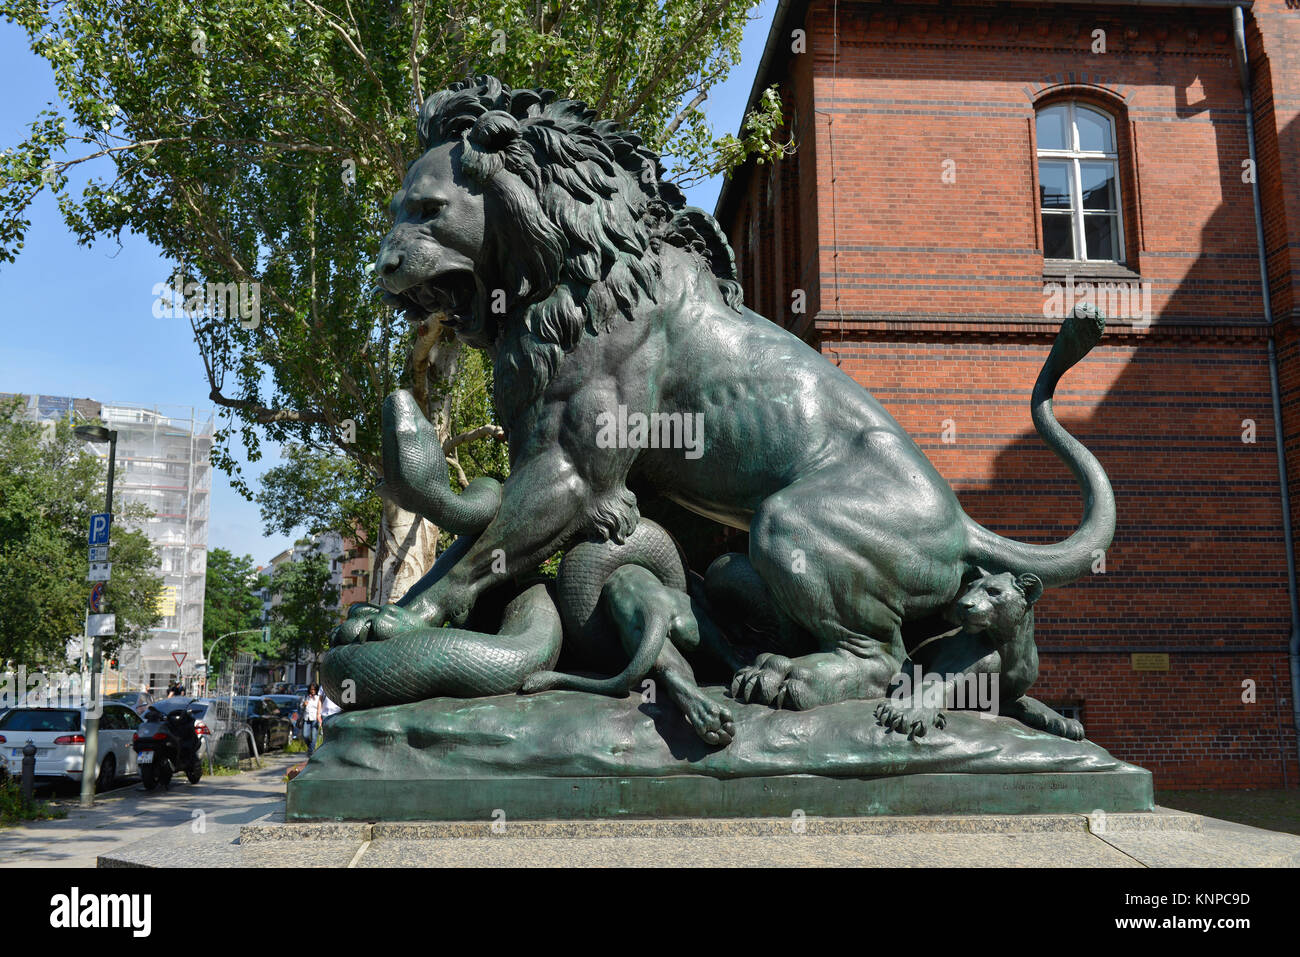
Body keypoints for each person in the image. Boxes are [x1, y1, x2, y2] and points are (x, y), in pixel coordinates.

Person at [302, 683, 323, 756]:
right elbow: (301, 706)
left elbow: (320, 708)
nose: (312, 691)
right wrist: (303, 705)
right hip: (306, 718)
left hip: (315, 718)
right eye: (311, 689)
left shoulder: (318, 698)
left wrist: (319, 718)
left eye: (314, 689)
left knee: (314, 736)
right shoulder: (306, 696)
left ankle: (310, 752)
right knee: (305, 735)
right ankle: (310, 747)